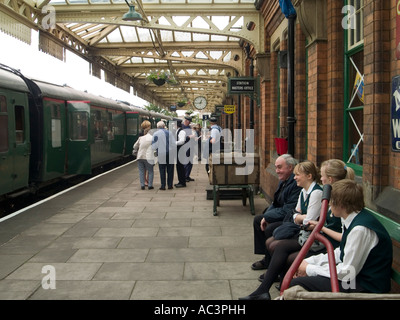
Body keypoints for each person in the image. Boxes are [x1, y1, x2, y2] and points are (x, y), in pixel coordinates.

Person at [290, 179, 393, 293]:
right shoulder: (351, 219)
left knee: (298, 283)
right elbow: (341, 252)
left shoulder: (360, 230)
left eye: (331, 201)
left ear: (341, 204)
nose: (329, 204)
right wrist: (310, 262)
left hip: (366, 286)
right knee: (302, 275)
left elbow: (347, 273)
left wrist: (310, 269)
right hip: (355, 279)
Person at [240, 160, 322, 300]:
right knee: (271, 241)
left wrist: (299, 218)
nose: (295, 177)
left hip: (312, 237)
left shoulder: (316, 193)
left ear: (309, 176)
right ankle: (271, 282)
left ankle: (265, 288)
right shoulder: (303, 191)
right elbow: (295, 215)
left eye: (298, 175)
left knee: (278, 245)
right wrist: (300, 218)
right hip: (303, 231)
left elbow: (308, 220)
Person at [251, 154, 301, 271]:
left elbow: (289, 210)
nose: (277, 171)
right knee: (258, 220)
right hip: (283, 212)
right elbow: (276, 202)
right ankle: (266, 257)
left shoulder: (295, 184)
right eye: (276, 167)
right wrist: (267, 215)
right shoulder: (283, 179)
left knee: (269, 228)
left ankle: (272, 264)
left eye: (280, 167)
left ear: (290, 167)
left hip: (290, 217)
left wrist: (267, 217)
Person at [152, 121, 174, 190]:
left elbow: (153, 145)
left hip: (161, 153)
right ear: (164, 126)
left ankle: (163, 185)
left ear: (157, 127)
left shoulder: (155, 134)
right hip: (170, 153)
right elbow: (173, 143)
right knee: (170, 170)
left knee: (162, 169)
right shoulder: (169, 133)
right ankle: (170, 185)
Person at [133, 120, 154, 190]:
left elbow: (135, 146)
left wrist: (136, 150)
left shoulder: (140, 138)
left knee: (141, 171)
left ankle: (142, 185)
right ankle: (150, 185)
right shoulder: (152, 138)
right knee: (150, 171)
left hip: (140, 156)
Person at [175, 119, 190, 188]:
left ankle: (182, 182)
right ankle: (180, 181)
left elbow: (182, 141)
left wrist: (173, 143)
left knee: (180, 166)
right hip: (178, 150)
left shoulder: (181, 132)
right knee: (178, 166)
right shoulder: (177, 131)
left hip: (181, 150)